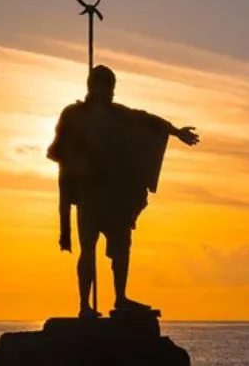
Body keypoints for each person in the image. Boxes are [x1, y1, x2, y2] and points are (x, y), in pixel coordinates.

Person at [47, 65, 200, 318]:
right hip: (88, 193)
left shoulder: (119, 115)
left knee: (122, 246)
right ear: (92, 86)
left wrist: (176, 132)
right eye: (104, 86)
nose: (109, 92)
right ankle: (85, 306)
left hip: (114, 195)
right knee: (88, 249)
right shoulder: (74, 114)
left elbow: (148, 121)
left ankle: (120, 298)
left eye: (111, 87)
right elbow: (59, 150)